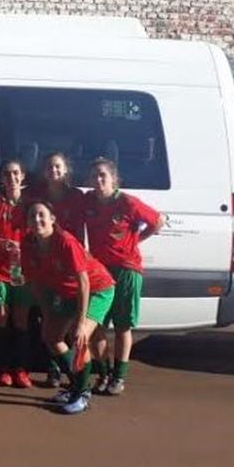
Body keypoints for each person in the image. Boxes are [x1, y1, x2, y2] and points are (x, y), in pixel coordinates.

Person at [21, 199, 116, 415]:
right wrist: (47, 313)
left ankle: (82, 393)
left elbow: (84, 282)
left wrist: (81, 323)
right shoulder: (27, 244)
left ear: (53, 219)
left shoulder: (65, 241)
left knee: (79, 337)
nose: (37, 220)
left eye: (41, 215)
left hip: (97, 289)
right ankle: (77, 383)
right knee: (51, 337)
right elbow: (34, 282)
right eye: (32, 216)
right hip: (65, 292)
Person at [84, 157, 164, 395]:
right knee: (96, 325)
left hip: (127, 269)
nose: (99, 181)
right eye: (95, 176)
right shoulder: (88, 201)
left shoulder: (128, 203)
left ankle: (118, 377)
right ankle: (104, 373)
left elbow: (157, 221)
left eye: (103, 176)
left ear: (113, 179)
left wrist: (137, 240)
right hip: (100, 271)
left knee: (122, 326)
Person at [24, 151, 86, 387]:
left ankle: (78, 378)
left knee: (71, 327)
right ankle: (54, 369)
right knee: (49, 320)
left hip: (70, 264)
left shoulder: (77, 196)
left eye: (58, 166)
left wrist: (78, 258)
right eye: (49, 167)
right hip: (47, 265)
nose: (54, 171)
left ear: (66, 169)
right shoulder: (37, 196)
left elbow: (79, 231)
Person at [0, 159, 33, 388]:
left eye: (16, 173)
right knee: (0, 319)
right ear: (1, 177)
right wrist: (0, 242)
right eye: (7, 174)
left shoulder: (30, 202)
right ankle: (2, 368)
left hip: (22, 271)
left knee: (21, 321)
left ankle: (20, 368)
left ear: (23, 176)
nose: (12, 178)